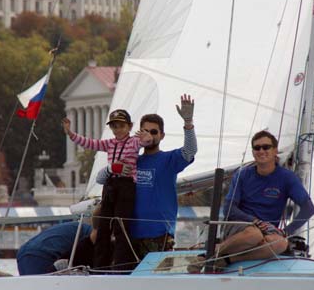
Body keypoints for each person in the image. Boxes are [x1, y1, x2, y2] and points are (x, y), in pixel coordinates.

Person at [189, 130, 314, 273]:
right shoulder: (242, 175)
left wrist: (286, 231)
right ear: (253, 152)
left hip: (267, 232)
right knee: (254, 234)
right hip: (240, 226)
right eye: (257, 148)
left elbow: (309, 208)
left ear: (275, 151)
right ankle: (208, 255)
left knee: (281, 243)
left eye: (266, 147)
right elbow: (229, 208)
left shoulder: (287, 178)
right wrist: (254, 221)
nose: (261, 151)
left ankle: (227, 260)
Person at [96, 95, 197, 263]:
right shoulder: (131, 159)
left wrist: (188, 123)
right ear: (138, 134)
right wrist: (111, 168)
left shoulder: (169, 160)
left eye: (154, 132)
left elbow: (190, 151)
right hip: (127, 237)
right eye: (145, 131)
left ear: (162, 135)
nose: (149, 135)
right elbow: (100, 179)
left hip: (159, 237)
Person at [62, 109, 153, 271]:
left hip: (126, 187)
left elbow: (145, 142)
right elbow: (90, 143)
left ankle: (121, 266)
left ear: (129, 126)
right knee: (103, 227)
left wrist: (147, 137)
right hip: (110, 186)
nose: (118, 130)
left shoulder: (133, 141)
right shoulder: (109, 143)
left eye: (121, 126)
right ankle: (100, 266)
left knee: (121, 227)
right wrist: (70, 134)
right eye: (114, 126)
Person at [17, 217, 97, 276]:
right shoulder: (92, 236)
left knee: (32, 289)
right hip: (41, 254)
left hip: (26, 251)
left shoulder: (80, 227)